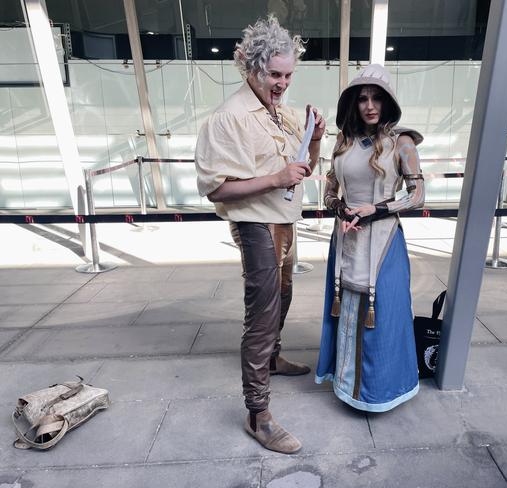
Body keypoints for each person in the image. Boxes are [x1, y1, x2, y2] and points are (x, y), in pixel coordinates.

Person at [194, 15, 325, 454]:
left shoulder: (282, 112)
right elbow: (217, 187)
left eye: (288, 74)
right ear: (250, 67)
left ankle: (272, 357)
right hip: (255, 224)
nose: (283, 83)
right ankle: (258, 413)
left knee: (283, 297)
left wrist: (316, 140)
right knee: (262, 313)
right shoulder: (228, 118)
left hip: (284, 219)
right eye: (274, 74)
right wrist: (276, 177)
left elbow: (301, 167)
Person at [315, 64, 425, 412]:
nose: (369, 105)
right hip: (346, 237)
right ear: (354, 102)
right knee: (346, 305)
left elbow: (418, 193)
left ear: (388, 101)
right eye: (362, 98)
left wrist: (376, 209)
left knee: (384, 312)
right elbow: (330, 190)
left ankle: (379, 392)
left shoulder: (402, 142)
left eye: (377, 97)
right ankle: (348, 387)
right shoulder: (343, 140)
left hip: (385, 241)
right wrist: (340, 207)